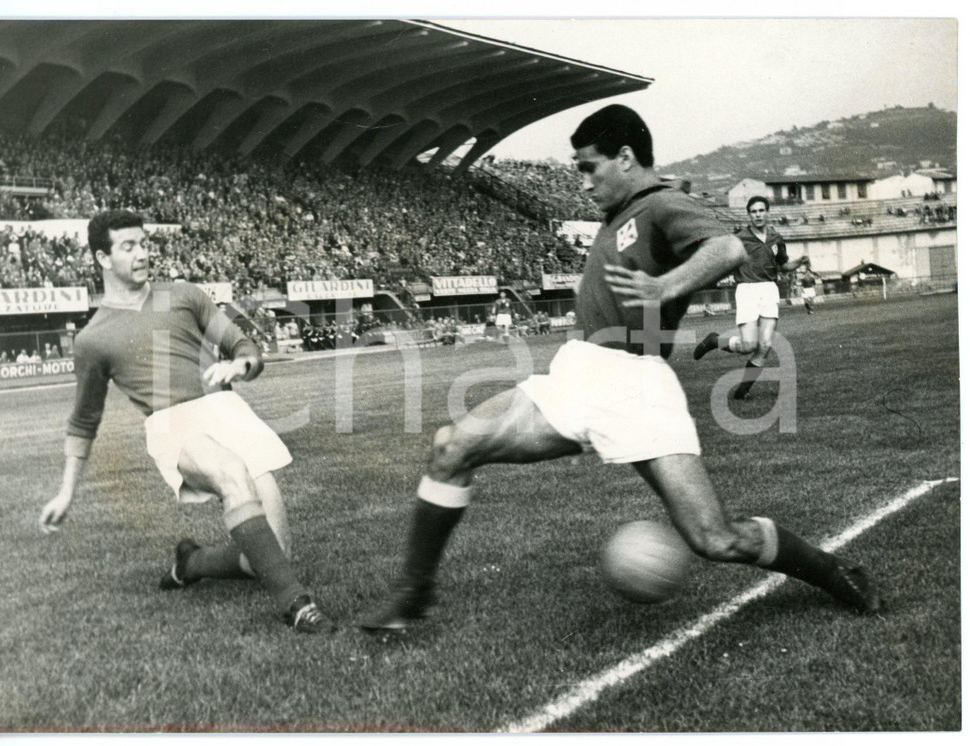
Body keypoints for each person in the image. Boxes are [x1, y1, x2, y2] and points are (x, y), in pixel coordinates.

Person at [359, 104, 878, 631]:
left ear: (625, 157)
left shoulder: (662, 203)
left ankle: (831, 570)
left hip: (635, 385)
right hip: (577, 373)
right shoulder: (620, 212)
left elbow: (726, 248)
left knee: (714, 538)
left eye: (590, 167)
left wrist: (665, 287)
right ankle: (413, 594)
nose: (584, 183)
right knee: (453, 447)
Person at [39, 210, 333, 634]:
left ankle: (191, 563)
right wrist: (66, 491)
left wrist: (241, 364)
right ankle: (299, 606)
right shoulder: (93, 337)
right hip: (172, 423)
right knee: (231, 473)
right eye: (128, 246)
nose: (142, 254)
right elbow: (84, 421)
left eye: (144, 243)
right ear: (103, 258)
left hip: (227, 409)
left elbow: (243, 345)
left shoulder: (182, 295)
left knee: (270, 558)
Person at [693, 195, 810, 399]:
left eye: (761, 210)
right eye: (754, 211)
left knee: (764, 346)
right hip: (747, 290)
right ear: (749, 215)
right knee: (748, 346)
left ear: (767, 212)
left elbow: (783, 266)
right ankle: (713, 341)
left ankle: (742, 391)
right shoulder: (739, 238)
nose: (758, 215)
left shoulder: (776, 238)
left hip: (769, 290)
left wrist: (799, 261)